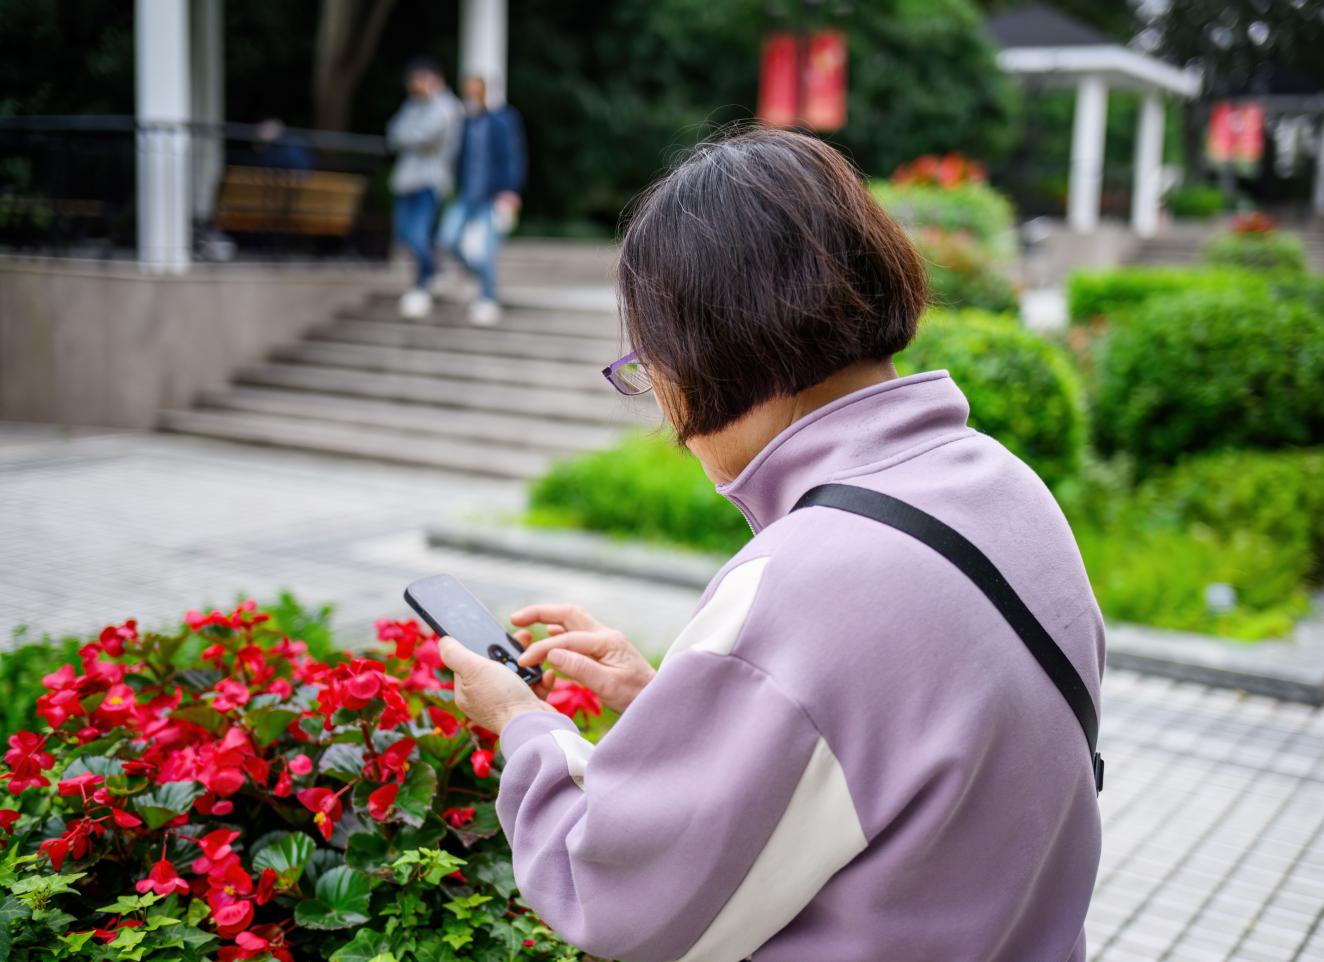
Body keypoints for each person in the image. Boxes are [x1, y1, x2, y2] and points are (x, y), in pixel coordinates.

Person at [437, 128, 1105, 962]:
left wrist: (521, 724)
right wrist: (674, 705)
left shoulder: (803, 580)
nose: (668, 416)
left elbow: (610, 890)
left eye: (648, 363)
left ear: (707, 343)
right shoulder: (1005, 486)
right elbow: (904, 758)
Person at [435, 74, 526, 326]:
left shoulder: (503, 120)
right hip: (467, 194)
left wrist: (511, 190)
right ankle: (475, 275)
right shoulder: (466, 122)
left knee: (486, 251)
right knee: (447, 238)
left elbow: (512, 155)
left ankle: (488, 298)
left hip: (493, 195)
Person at [386, 57, 463, 320]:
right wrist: (411, 137)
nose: (414, 86)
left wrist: (410, 136)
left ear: (432, 78)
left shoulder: (448, 107)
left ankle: (423, 283)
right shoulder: (412, 105)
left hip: (430, 182)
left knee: (417, 236)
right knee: (405, 236)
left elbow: (426, 136)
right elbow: (394, 133)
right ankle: (433, 274)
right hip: (406, 181)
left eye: (418, 79)